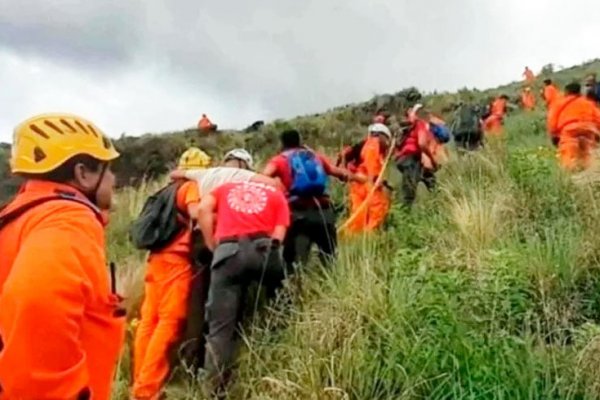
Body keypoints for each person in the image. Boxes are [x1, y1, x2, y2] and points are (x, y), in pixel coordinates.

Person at [0, 113, 124, 400]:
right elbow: (37, 299)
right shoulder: (68, 218)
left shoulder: (22, 215)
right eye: (109, 169)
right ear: (83, 174)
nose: (114, 179)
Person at [132, 147, 211, 400]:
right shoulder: (190, 187)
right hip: (176, 262)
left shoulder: (163, 191)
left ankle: (139, 379)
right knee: (170, 321)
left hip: (155, 261)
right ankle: (148, 390)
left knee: (148, 321)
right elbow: (196, 212)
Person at [197, 180, 290, 393]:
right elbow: (279, 235)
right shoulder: (277, 195)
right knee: (280, 307)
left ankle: (215, 390)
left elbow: (202, 209)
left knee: (220, 328)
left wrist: (213, 245)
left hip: (228, 250)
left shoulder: (225, 188)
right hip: (264, 249)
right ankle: (276, 374)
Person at [263, 130, 363, 267]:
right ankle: (331, 284)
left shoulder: (279, 160)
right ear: (300, 141)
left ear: (282, 143)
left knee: (295, 264)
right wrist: (361, 179)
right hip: (324, 213)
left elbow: (264, 176)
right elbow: (339, 173)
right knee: (329, 259)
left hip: (298, 216)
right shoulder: (315, 157)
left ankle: (297, 285)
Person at [344, 123, 392, 233]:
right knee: (377, 209)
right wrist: (373, 182)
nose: (387, 144)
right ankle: (370, 236)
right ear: (382, 136)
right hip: (367, 184)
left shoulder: (368, 145)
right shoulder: (373, 144)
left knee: (359, 215)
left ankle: (356, 238)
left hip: (360, 184)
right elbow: (371, 165)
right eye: (387, 140)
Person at [547, 82, 600, 172]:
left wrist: (554, 135)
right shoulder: (588, 103)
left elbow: (552, 120)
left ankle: (572, 177)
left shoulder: (559, 103)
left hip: (569, 131)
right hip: (588, 130)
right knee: (589, 156)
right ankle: (592, 175)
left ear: (566, 92)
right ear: (579, 92)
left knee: (569, 158)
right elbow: (598, 118)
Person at [394, 106, 439, 206]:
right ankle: (406, 217)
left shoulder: (405, 127)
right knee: (409, 196)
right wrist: (432, 159)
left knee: (426, 179)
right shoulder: (420, 124)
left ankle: (437, 203)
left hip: (401, 160)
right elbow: (422, 144)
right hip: (412, 159)